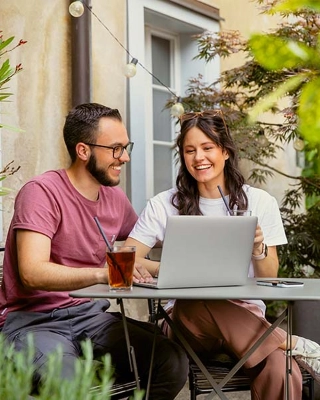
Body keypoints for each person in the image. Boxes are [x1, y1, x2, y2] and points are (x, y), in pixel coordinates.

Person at [125, 110, 320, 400]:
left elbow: (269, 279)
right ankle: (286, 341)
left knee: (283, 370)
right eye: (190, 150)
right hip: (186, 324)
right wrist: (167, 268)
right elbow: (126, 259)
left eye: (207, 148)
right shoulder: (164, 205)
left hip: (246, 322)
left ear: (226, 151)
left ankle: (277, 346)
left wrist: (258, 248)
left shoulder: (259, 202)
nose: (198, 158)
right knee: (200, 299)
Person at [0, 103, 188, 399]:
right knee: (72, 382)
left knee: (171, 362)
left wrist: (189, 253)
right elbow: (32, 273)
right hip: (33, 321)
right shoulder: (41, 193)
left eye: (126, 147)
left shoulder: (114, 198)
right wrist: (103, 274)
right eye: (115, 149)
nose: (124, 157)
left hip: (92, 315)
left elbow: (141, 247)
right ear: (83, 151)